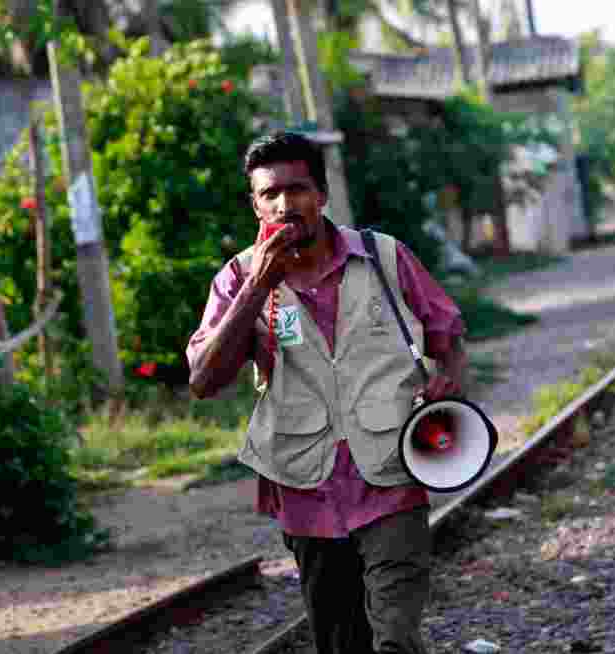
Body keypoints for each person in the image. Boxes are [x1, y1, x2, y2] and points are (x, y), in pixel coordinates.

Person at [187, 131, 467, 654]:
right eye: (269, 194)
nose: (284, 204)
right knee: (339, 641)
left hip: (393, 474)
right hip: (306, 487)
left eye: (297, 189)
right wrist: (257, 288)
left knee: (396, 638)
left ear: (322, 195)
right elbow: (203, 379)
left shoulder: (385, 258)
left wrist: (446, 379)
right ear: (255, 204)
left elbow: (448, 334)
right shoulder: (238, 278)